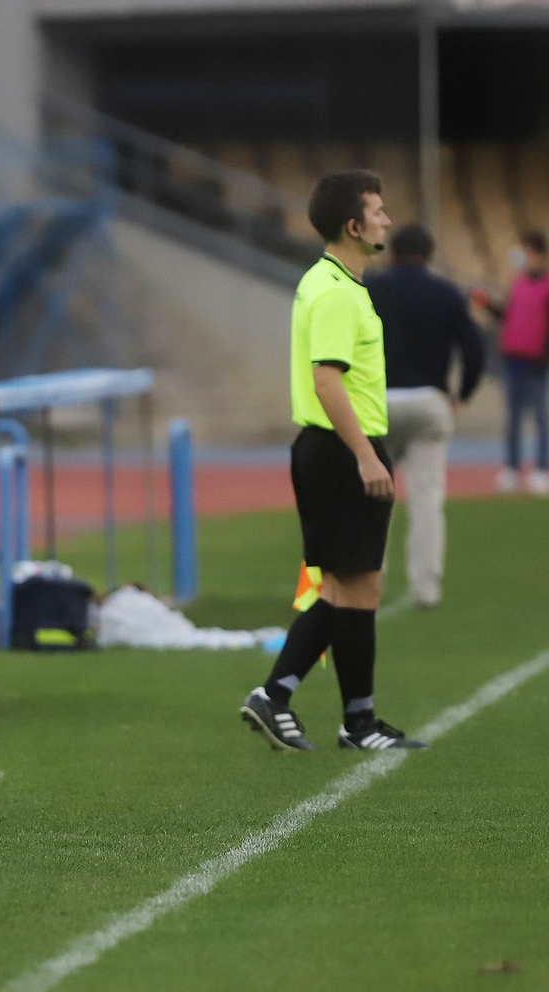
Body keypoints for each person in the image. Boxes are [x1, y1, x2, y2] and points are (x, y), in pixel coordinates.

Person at [240, 169, 427, 753]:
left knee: (346, 589)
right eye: (377, 211)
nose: (387, 220)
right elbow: (327, 382)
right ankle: (329, 713)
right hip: (341, 450)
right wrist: (367, 457)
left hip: (334, 450)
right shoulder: (336, 292)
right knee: (359, 588)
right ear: (353, 226)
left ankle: (316, 708)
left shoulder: (333, 283)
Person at [365, 224, 485, 609]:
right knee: (427, 500)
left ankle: (368, 580)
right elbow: (475, 349)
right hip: (429, 402)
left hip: (378, 402)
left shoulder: (371, 289)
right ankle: (426, 588)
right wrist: (462, 394)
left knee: (372, 498)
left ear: (390, 252)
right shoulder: (446, 293)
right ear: (429, 254)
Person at [474, 230, 549, 495]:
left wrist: (544, 357)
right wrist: (487, 305)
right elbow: (508, 315)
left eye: (526, 252)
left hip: (536, 362)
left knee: (540, 417)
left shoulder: (547, 285)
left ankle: (542, 469)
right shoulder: (518, 283)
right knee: (513, 418)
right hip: (513, 359)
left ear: (537, 254)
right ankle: (512, 469)